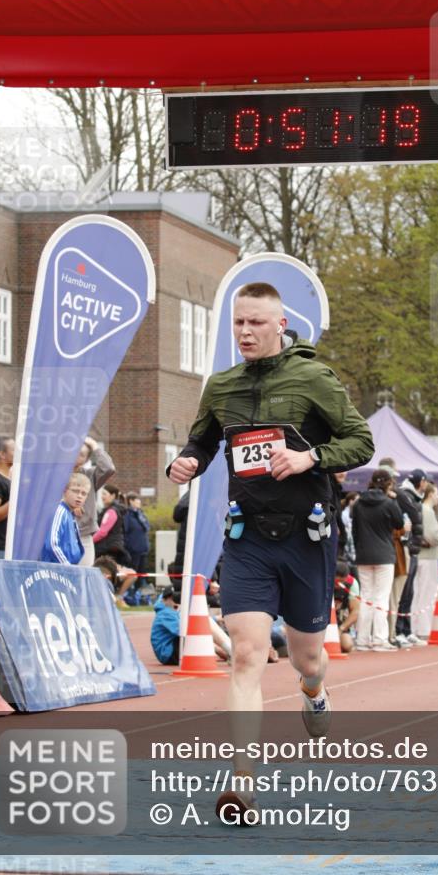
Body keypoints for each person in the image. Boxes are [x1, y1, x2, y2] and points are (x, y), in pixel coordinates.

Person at [166, 281, 373, 821]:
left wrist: (310, 459)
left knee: (308, 657)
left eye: (256, 322)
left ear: (280, 325)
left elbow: (361, 441)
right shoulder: (222, 384)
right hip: (248, 537)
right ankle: (243, 783)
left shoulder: (314, 378)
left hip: (306, 538)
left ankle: (314, 690)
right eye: (238, 323)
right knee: (247, 653)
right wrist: (185, 463)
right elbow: (203, 441)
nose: (245, 332)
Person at [351, 469, 405, 651]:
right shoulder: (389, 503)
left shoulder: (358, 503)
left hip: (364, 554)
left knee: (366, 596)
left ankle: (363, 639)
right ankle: (379, 638)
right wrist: (394, 499)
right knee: (381, 597)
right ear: (388, 484)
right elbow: (399, 523)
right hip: (384, 554)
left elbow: (355, 530)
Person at [151, 585, 232, 666]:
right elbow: (185, 631)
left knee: (204, 621)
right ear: (164, 599)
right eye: (173, 599)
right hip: (169, 654)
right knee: (204, 623)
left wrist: (216, 619)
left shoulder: (171, 610)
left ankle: (229, 649)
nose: (176, 601)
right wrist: (216, 648)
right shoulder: (165, 613)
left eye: (178, 598)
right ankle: (230, 649)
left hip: (172, 649)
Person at [393, 468, 428, 645]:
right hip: (406, 547)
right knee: (404, 591)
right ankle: (399, 630)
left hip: (411, 548)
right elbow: (413, 518)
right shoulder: (405, 495)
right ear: (421, 481)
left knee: (409, 592)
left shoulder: (411, 495)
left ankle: (406, 630)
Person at [73, 436, 116, 567]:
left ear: (85, 459)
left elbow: (108, 468)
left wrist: (94, 446)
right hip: (60, 535)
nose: (75, 456)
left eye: (81, 454)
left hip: (83, 535)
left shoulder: (90, 475)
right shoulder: (56, 474)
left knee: (83, 577)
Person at [411, 482, 438, 640]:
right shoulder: (427, 511)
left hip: (422, 556)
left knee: (418, 592)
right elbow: (433, 536)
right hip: (429, 556)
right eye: (437, 494)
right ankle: (423, 629)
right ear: (431, 494)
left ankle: (417, 627)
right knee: (426, 593)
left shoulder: (421, 509)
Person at [40, 473, 89, 564]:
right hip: (56, 570)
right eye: (75, 491)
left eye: (84, 493)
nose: (79, 496)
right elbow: (51, 544)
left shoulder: (70, 514)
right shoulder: (60, 511)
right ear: (64, 491)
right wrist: (67, 567)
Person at [93, 484, 129, 562]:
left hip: (107, 548)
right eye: (102, 494)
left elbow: (102, 532)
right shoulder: (115, 509)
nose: (102, 496)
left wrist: (90, 541)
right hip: (112, 547)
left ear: (113, 496)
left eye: (104, 494)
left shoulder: (111, 511)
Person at [123, 492, 151, 589]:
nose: (139, 502)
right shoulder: (127, 515)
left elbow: (146, 528)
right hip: (133, 550)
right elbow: (125, 532)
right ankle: (130, 592)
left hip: (143, 549)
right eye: (136, 500)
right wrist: (128, 546)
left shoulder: (140, 514)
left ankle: (138, 592)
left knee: (142, 572)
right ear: (130, 501)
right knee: (133, 572)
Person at [333, 559, 359, 653]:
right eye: (337, 582)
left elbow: (355, 611)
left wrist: (341, 629)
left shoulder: (352, 583)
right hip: (319, 622)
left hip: (338, 623)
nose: (340, 585)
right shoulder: (321, 580)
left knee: (347, 645)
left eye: (342, 582)